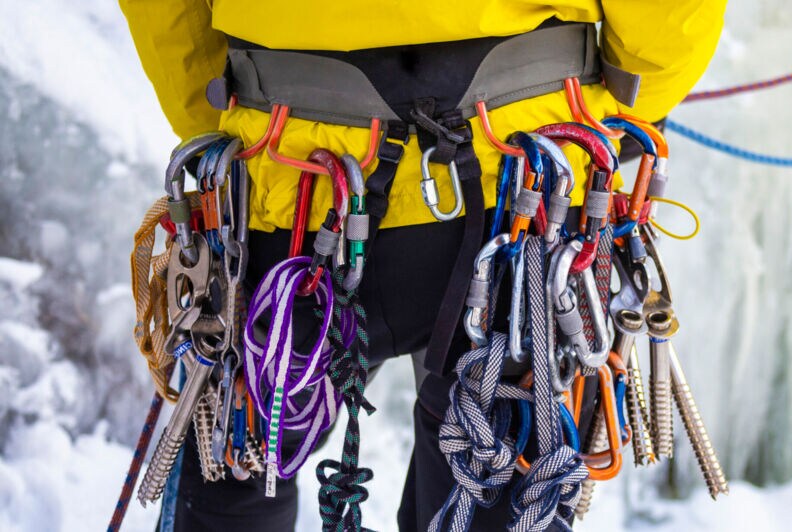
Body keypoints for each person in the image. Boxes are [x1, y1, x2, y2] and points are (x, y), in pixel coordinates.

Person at [119, 1, 725, 530]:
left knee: (237, 466)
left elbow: (168, 18)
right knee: (496, 481)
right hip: (523, 191)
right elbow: (665, 23)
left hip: (291, 185)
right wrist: (622, 109)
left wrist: (224, 125)